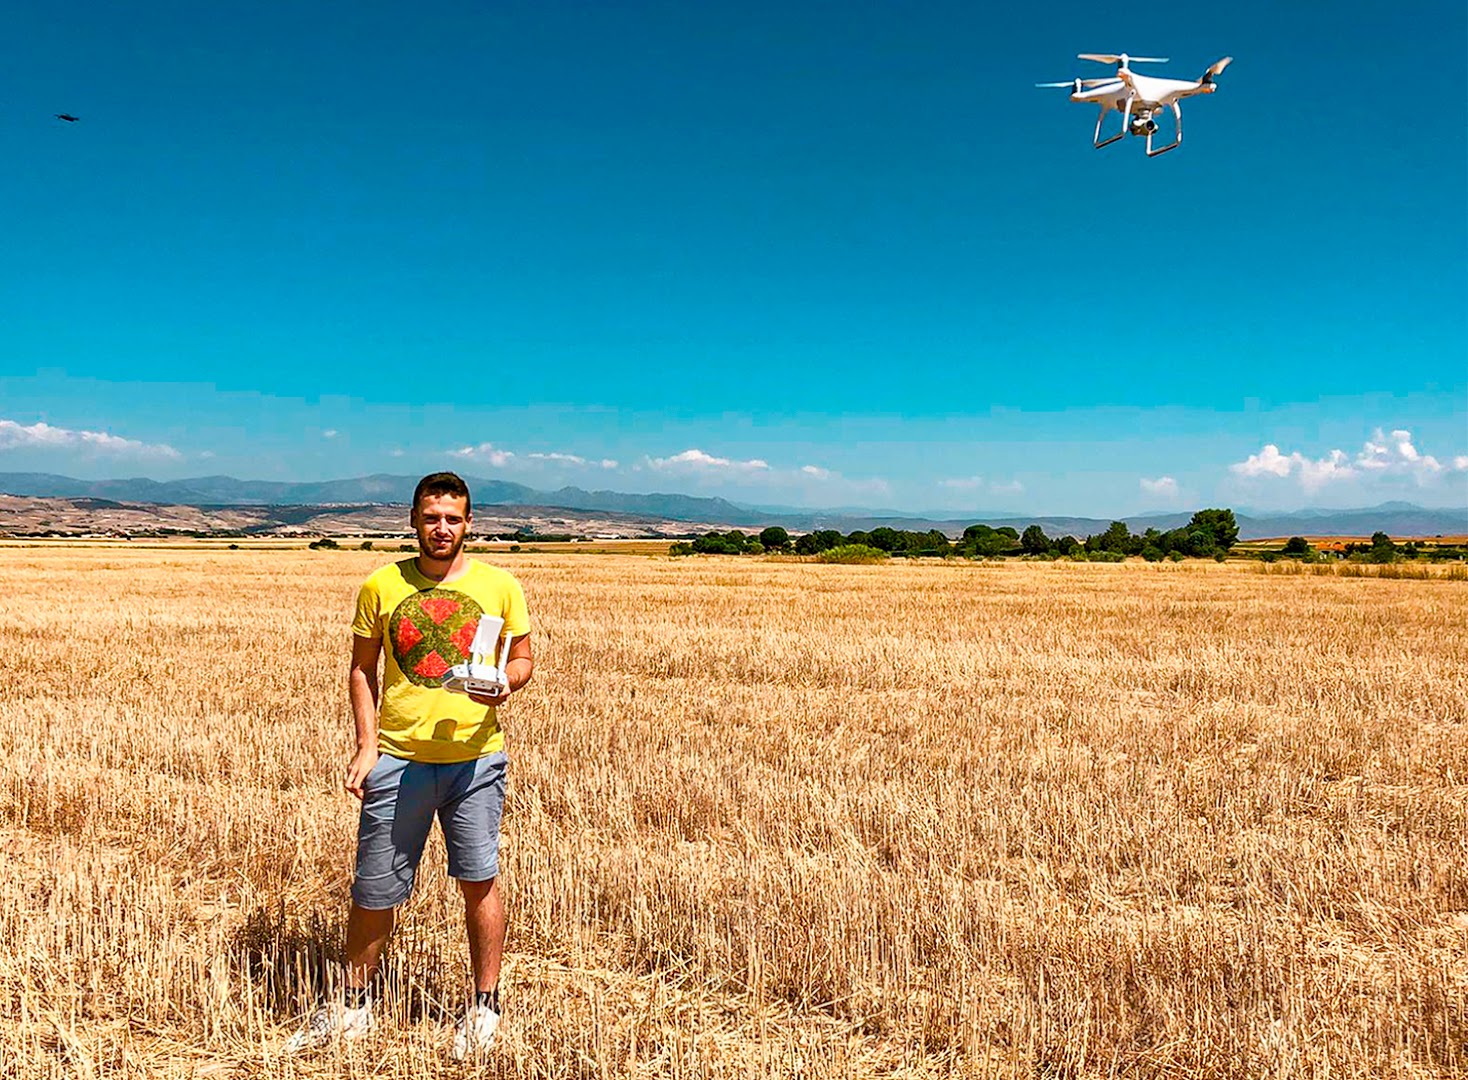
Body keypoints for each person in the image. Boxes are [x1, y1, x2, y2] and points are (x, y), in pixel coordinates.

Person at [286, 471, 533, 1060]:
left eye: (452, 519)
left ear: (469, 523)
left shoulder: (501, 586)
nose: (441, 528)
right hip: (398, 759)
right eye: (431, 518)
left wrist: (506, 683)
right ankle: (352, 1006)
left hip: (476, 759)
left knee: (479, 881)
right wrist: (366, 744)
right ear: (414, 521)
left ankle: (485, 1007)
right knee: (374, 888)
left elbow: (523, 659)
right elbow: (361, 669)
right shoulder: (381, 585)